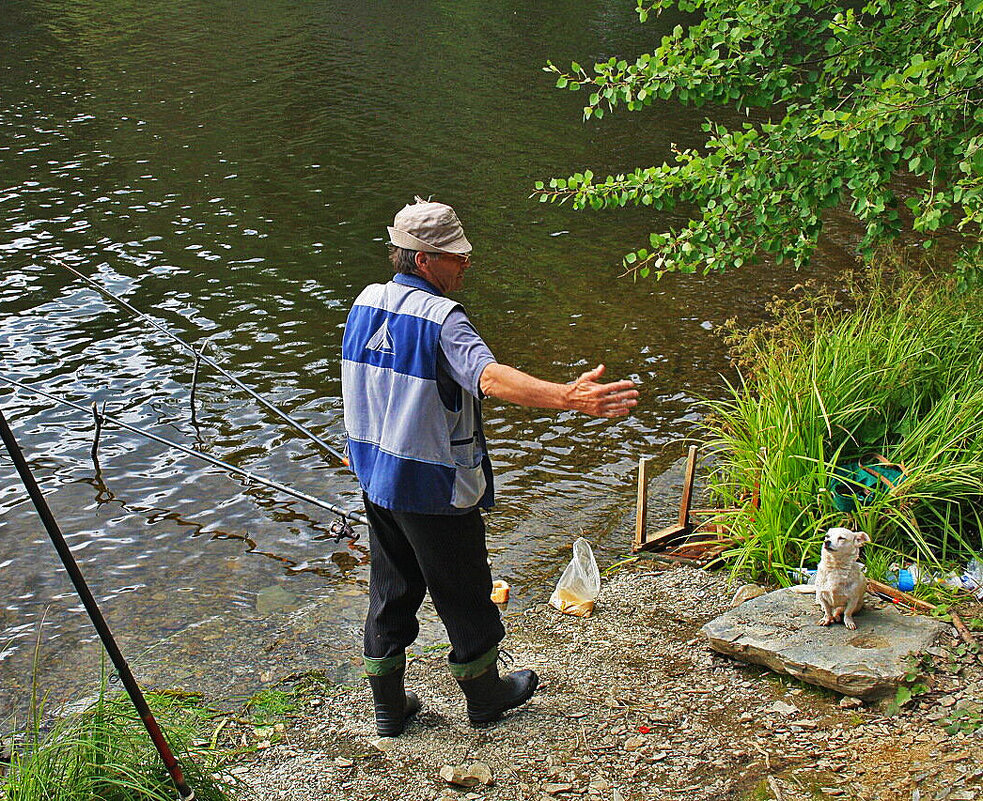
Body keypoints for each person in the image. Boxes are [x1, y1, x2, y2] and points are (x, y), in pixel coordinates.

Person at [341, 197, 639, 736]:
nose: (466, 264)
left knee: (390, 589)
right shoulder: (443, 319)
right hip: (432, 485)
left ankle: (388, 709)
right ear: (424, 260)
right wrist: (567, 398)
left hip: (376, 479)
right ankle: (484, 696)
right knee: (465, 591)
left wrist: (355, 448)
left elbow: (362, 381)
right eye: (456, 256)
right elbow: (490, 378)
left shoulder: (366, 303)